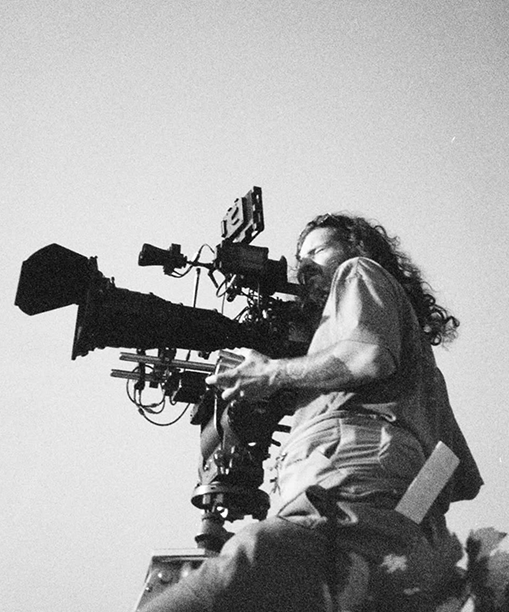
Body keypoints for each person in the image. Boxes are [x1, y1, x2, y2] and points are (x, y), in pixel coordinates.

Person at [141, 213, 483, 612]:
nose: (304, 265)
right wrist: (402, 519)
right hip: (397, 531)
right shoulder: (422, 369)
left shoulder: (357, 271)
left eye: (317, 251)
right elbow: (460, 475)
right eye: (300, 259)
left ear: (357, 248)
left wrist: (271, 373)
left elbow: (366, 356)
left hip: (343, 492)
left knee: (224, 581)